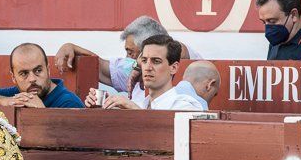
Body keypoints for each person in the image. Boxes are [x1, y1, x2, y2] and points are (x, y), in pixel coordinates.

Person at [55, 15, 202, 104]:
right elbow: (100, 67)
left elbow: (177, 49)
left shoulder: (185, 59)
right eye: (144, 59)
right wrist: (71, 47)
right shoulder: (130, 68)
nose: (128, 58)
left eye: (131, 52)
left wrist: (141, 62)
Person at [95, 35, 206, 111]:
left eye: (156, 61)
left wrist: (134, 110)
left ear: (173, 67)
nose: (147, 67)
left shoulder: (185, 106)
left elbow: (169, 139)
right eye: (144, 61)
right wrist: (105, 105)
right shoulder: (140, 104)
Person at [0, 43, 84, 108]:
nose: (32, 79)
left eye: (38, 71)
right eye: (24, 74)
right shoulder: (18, 95)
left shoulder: (69, 102)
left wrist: (42, 115)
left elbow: (72, 151)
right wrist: (4, 101)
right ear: (13, 77)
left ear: (48, 70)